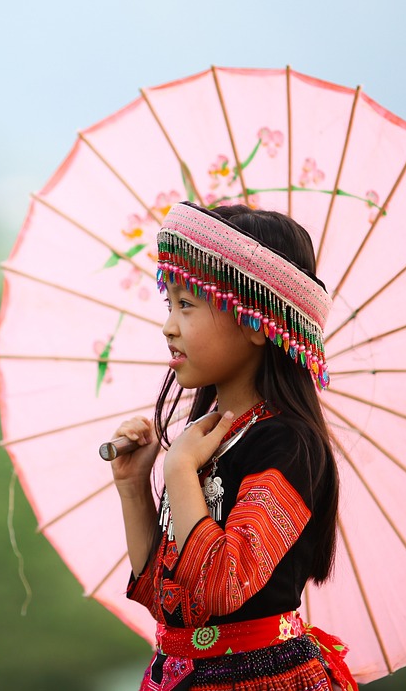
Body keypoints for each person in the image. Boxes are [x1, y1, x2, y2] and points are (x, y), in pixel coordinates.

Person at [109, 201, 356, 691]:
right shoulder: (205, 436)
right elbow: (168, 602)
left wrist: (180, 471)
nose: (169, 326)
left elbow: (224, 586)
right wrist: (134, 488)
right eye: (169, 303)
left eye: (188, 305)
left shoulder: (288, 444)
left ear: (253, 321)